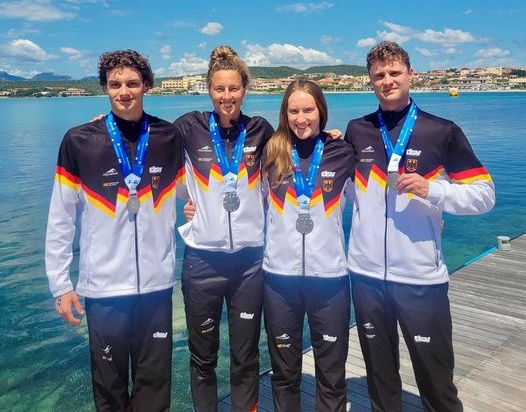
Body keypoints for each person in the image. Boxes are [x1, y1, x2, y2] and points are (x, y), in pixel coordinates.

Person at [344, 41, 496, 412]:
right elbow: (348, 193)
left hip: (420, 280)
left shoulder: (440, 131)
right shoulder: (357, 130)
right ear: (370, 81)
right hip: (365, 277)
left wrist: (435, 191)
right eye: (379, 75)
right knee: (380, 382)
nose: (387, 80)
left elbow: (485, 194)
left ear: (411, 75)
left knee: (436, 381)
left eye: (395, 72)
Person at [45, 49, 183, 412]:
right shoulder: (79, 141)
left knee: (155, 388)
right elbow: (61, 218)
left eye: (133, 83)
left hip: (156, 285)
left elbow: (199, 187)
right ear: (104, 88)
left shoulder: (169, 137)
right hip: (103, 289)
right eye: (115, 84)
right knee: (109, 390)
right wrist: (60, 284)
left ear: (147, 85)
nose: (124, 91)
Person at [175, 45, 275, 412]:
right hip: (202, 262)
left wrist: (332, 137)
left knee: (245, 355)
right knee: (202, 358)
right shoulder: (189, 127)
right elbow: (148, 144)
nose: (227, 96)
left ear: (244, 89)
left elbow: (298, 148)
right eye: (219, 89)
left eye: (234, 89)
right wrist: (102, 130)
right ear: (209, 90)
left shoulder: (260, 130)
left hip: (250, 263)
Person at [261, 79, 353, 411]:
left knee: (331, 374)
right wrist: (193, 207)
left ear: (321, 111)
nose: (302, 118)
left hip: (329, 280)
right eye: (294, 110)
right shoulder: (269, 153)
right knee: (284, 373)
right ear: (285, 113)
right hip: (279, 281)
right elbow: (242, 200)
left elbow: (375, 199)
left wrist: (430, 204)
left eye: (309, 110)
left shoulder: (343, 151)